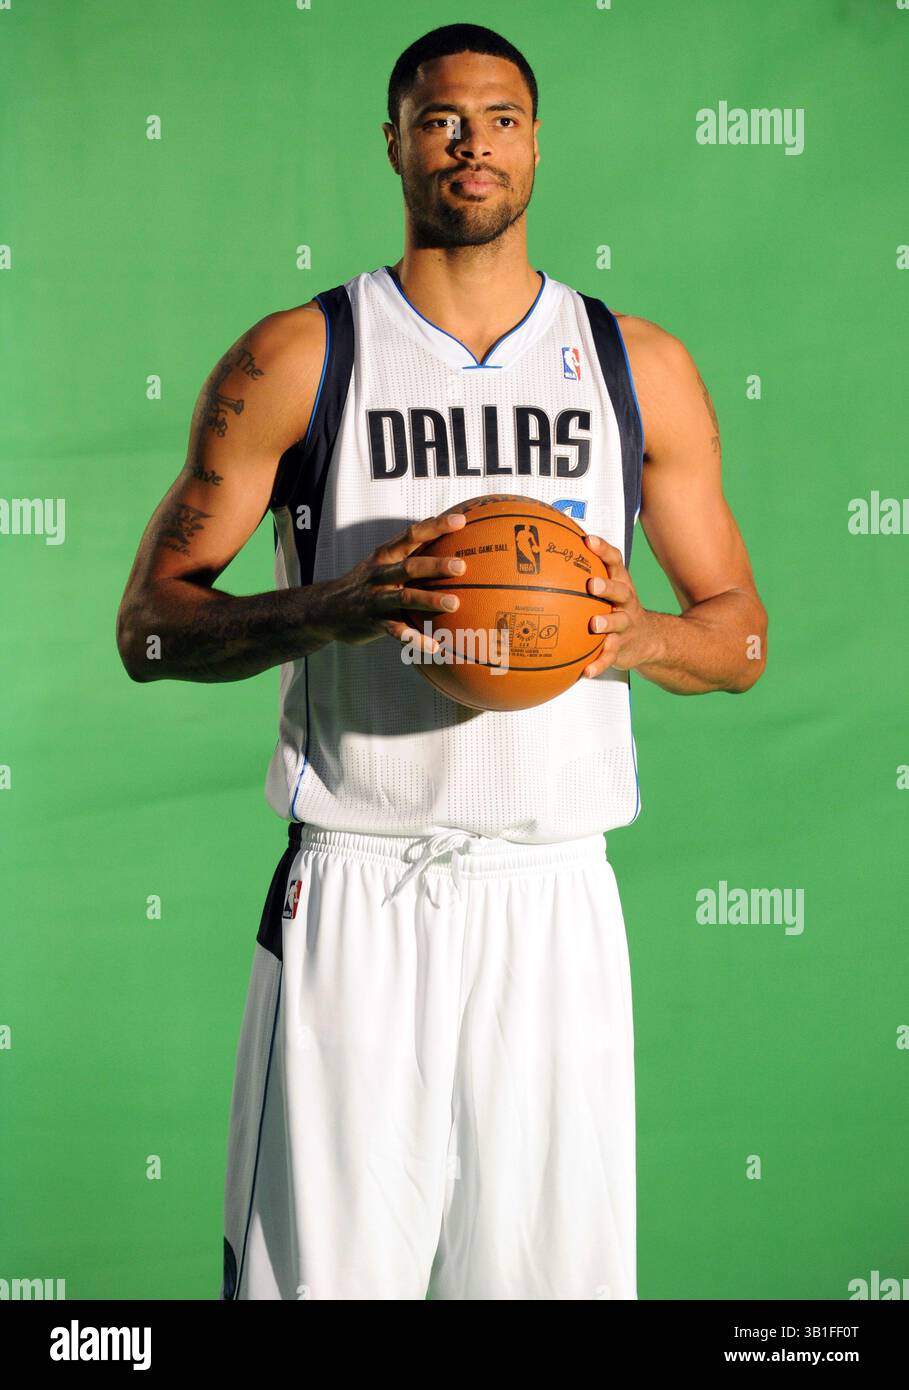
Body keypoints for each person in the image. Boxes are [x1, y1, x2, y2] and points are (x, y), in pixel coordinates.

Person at [116, 23, 767, 1300]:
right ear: (396, 143)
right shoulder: (302, 357)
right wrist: (331, 607)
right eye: (441, 118)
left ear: (536, 142)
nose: (472, 143)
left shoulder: (639, 366)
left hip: (554, 894)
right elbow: (148, 626)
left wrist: (632, 638)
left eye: (502, 118)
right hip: (357, 894)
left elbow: (740, 634)